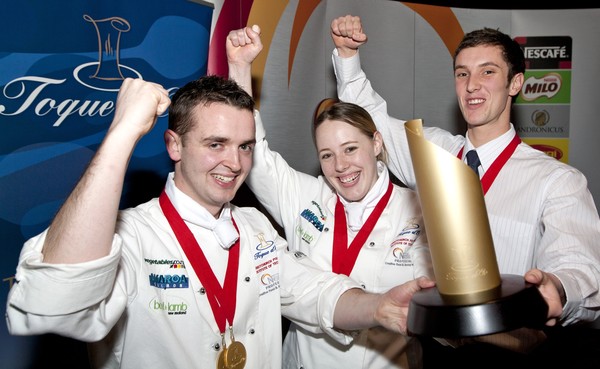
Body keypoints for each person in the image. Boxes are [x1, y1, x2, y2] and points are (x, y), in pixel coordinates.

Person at [5, 75, 436, 369]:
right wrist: (121, 135)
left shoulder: (256, 230)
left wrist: (378, 306)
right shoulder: (132, 234)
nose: (234, 163)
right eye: (216, 144)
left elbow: (315, 292)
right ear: (174, 145)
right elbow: (49, 308)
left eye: (245, 146)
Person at [330, 14, 600, 368]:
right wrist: (347, 56)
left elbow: (579, 267)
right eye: (462, 73)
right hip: (433, 349)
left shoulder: (557, 179)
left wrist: (559, 288)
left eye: (488, 71)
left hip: (510, 351)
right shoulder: (434, 154)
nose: (472, 85)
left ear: (515, 83)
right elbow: (371, 121)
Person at [227, 25, 434, 369]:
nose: (340, 166)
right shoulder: (307, 195)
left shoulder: (416, 212)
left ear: (377, 143)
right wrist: (239, 68)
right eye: (326, 155)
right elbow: (255, 154)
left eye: (351, 148)